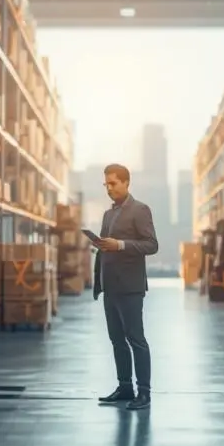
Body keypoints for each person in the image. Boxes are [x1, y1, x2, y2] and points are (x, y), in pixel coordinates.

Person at [92, 163, 159, 411]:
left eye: (113, 183)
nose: (109, 189)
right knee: (117, 340)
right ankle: (124, 387)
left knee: (136, 339)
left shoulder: (140, 210)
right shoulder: (108, 215)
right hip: (110, 286)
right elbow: (104, 248)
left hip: (130, 287)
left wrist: (120, 245)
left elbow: (151, 245)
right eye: (106, 184)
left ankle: (144, 393)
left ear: (126, 183)